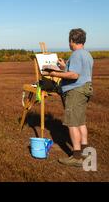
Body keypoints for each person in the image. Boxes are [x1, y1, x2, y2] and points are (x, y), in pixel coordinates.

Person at [42, 28, 94, 167]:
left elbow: (74, 75)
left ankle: (77, 157)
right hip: (84, 89)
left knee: (72, 124)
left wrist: (54, 73)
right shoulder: (87, 54)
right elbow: (78, 72)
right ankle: (84, 153)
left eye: (69, 40)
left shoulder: (76, 54)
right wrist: (65, 67)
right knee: (81, 122)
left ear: (72, 41)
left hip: (75, 92)